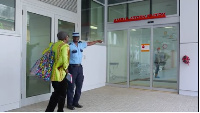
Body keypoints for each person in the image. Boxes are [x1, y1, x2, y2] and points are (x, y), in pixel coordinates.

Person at [67, 32, 102, 110]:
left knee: (79, 85)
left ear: (78, 37)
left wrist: (96, 41)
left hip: (79, 68)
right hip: (71, 68)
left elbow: (89, 43)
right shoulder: (69, 46)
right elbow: (65, 57)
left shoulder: (81, 44)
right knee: (71, 87)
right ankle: (69, 104)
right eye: (75, 37)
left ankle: (75, 102)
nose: (76, 38)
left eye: (77, 37)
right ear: (73, 37)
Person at [45, 31, 70, 112]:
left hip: (53, 73)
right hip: (61, 74)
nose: (68, 38)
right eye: (68, 37)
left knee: (61, 93)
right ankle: (49, 110)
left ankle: (60, 110)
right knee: (57, 94)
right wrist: (66, 68)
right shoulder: (65, 46)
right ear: (66, 37)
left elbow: (45, 53)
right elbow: (64, 58)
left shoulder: (53, 45)